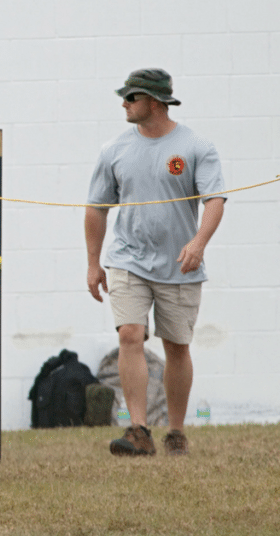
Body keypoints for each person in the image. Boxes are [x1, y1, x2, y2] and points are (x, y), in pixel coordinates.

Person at [85, 68, 225, 457]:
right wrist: (94, 263)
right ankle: (138, 430)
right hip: (128, 259)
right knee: (130, 335)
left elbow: (215, 200)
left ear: (156, 102)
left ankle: (176, 432)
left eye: (132, 97)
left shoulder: (197, 147)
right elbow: (96, 209)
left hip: (180, 265)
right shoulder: (113, 150)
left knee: (177, 346)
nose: (125, 104)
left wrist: (198, 243)